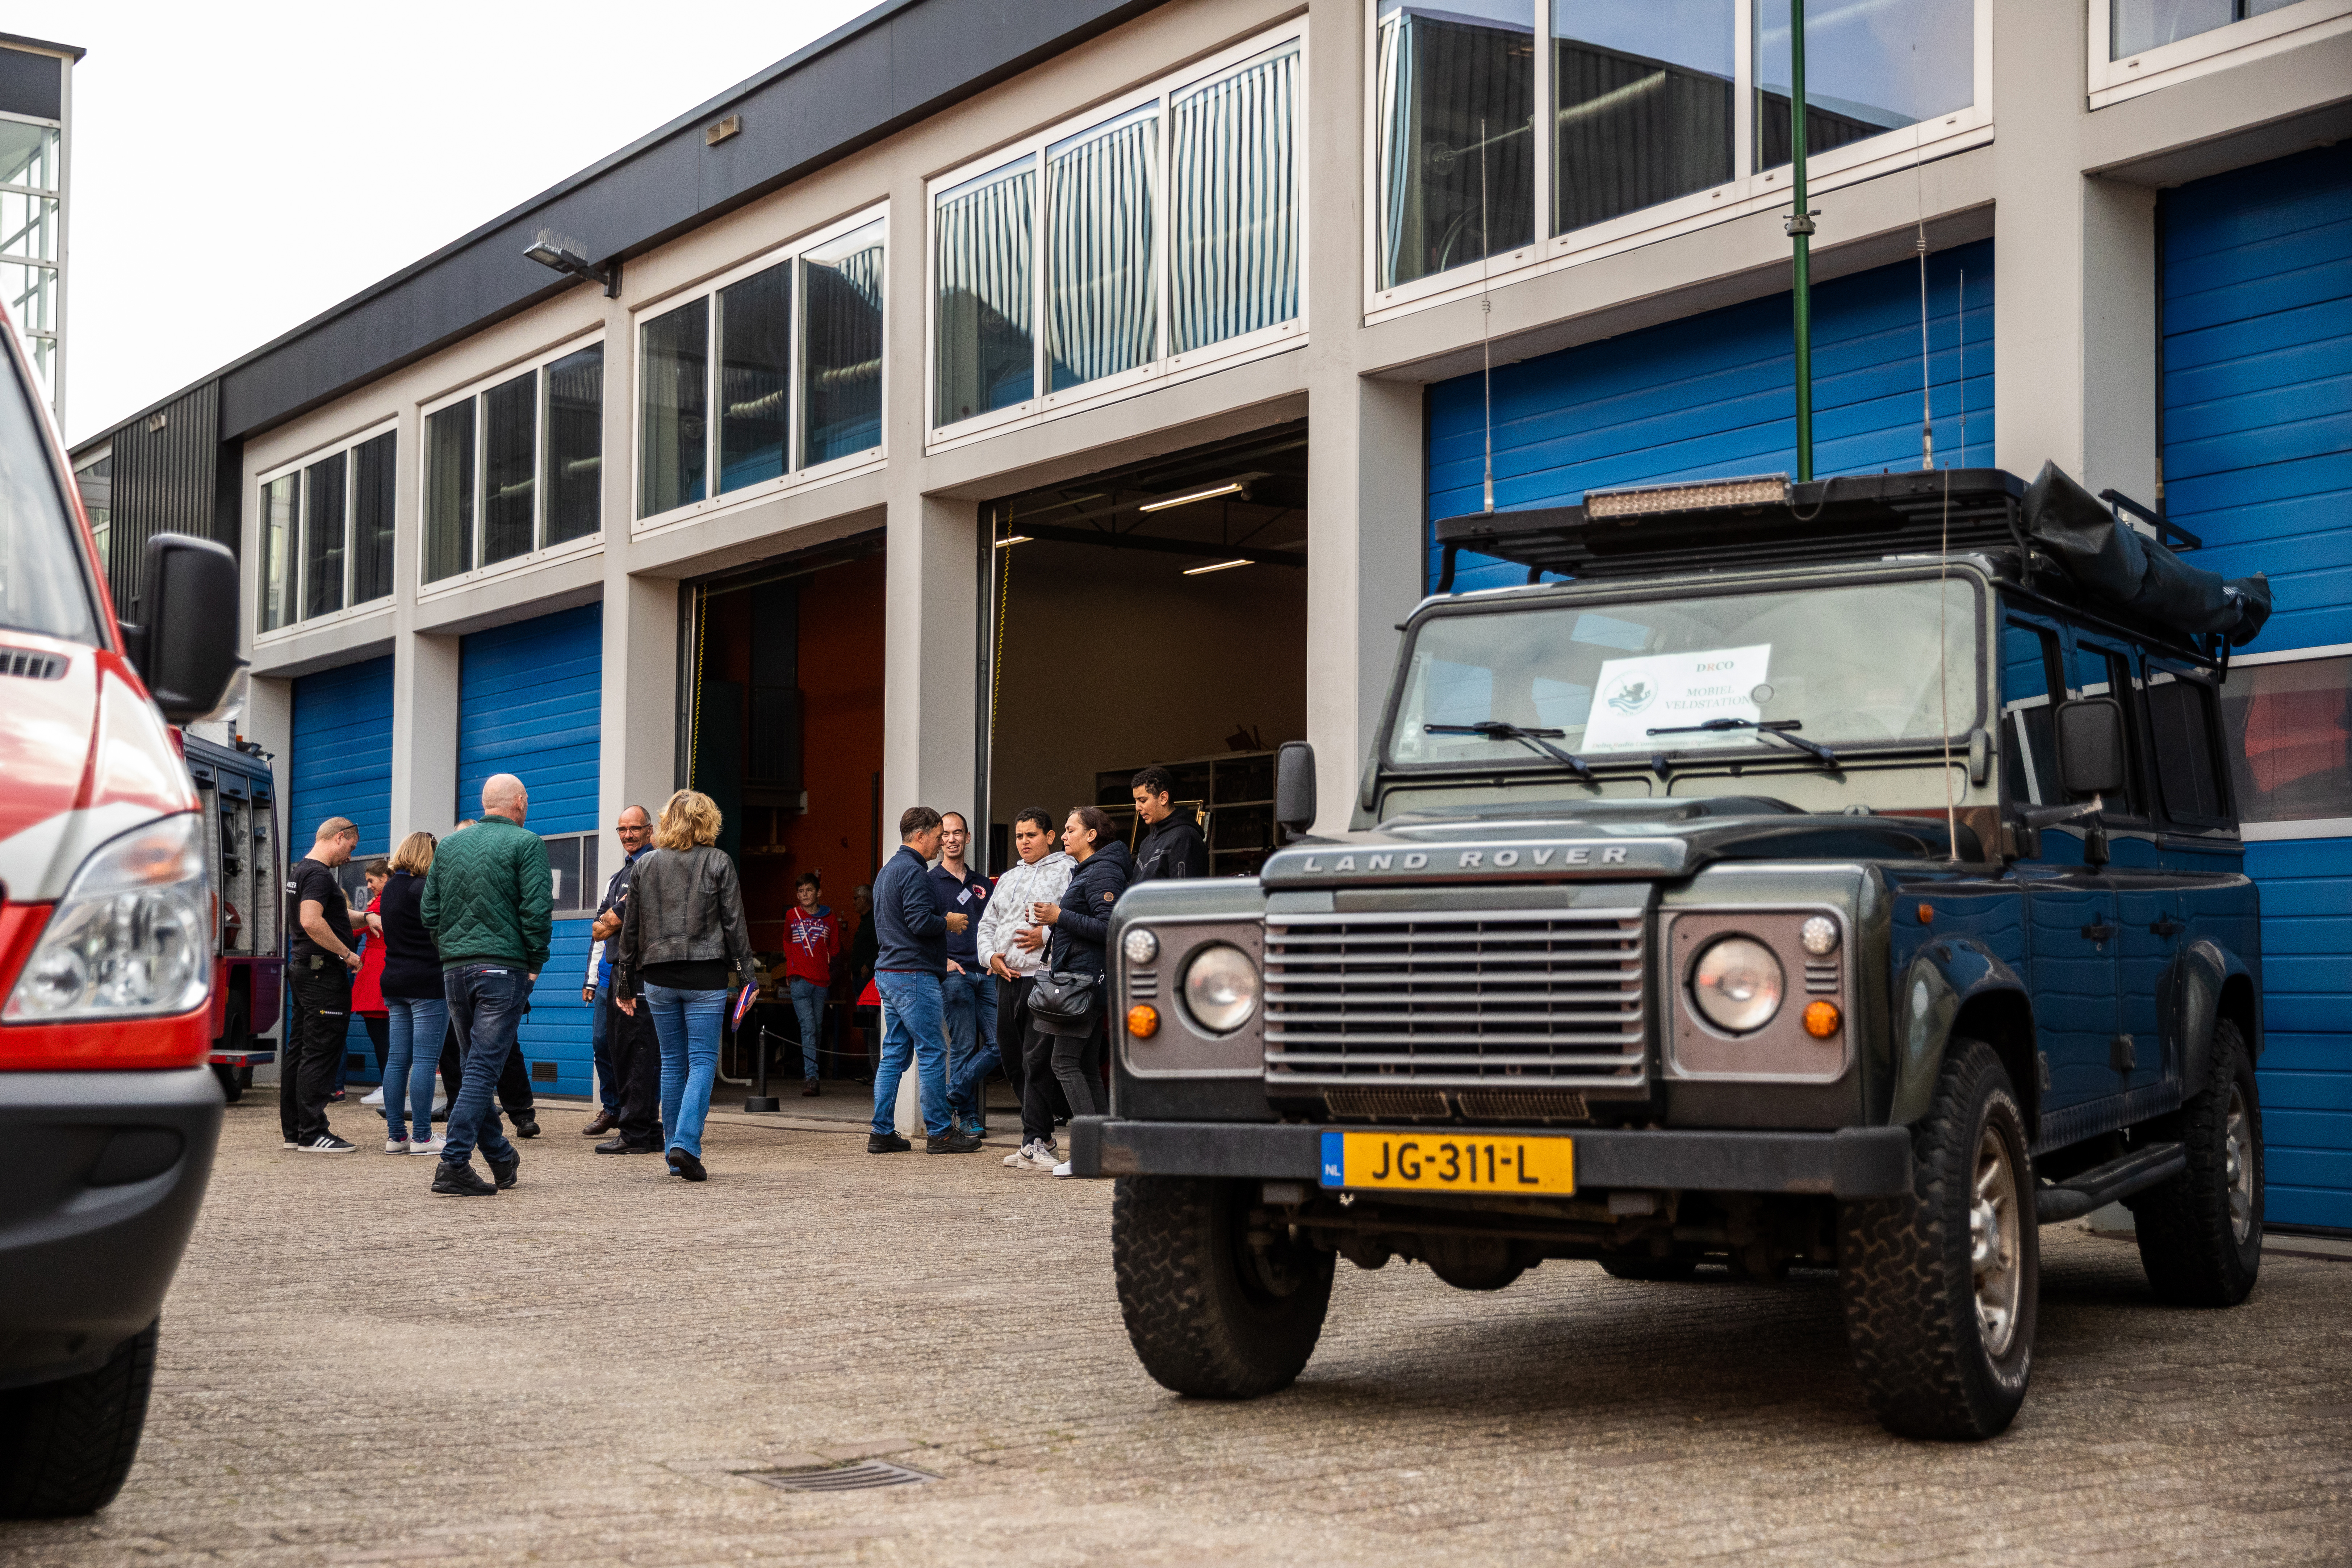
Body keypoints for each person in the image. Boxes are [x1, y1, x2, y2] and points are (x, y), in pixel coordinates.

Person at [614, 790, 757, 1184]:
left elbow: (631, 929)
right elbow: (734, 924)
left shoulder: (646, 865)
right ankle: (686, 1145)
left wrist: (624, 980)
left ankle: (674, 1149)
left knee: (674, 1063)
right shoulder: (718, 861)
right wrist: (747, 975)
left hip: (657, 978)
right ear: (707, 821)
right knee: (702, 1062)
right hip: (704, 976)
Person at [420, 775, 550, 1197]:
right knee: (481, 1069)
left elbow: (430, 911)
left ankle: (499, 1156)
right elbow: (536, 909)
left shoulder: (450, 845)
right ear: (519, 802)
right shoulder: (527, 843)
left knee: (476, 1065)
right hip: (503, 969)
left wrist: (453, 950)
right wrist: (534, 962)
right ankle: (454, 1163)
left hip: (455, 971)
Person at [1012, 806, 1132, 1173]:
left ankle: (1088, 1153)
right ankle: (1105, 1149)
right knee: (1084, 1065)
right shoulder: (1092, 870)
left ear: (1091, 835)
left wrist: (1058, 917)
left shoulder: (1103, 871)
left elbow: (1111, 925)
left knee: (1062, 1062)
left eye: (1069, 830)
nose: (1063, 837)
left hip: (1083, 982)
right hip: (1085, 980)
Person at [867, 807, 981, 1155]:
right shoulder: (916, 872)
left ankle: (882, 1130)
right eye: (936, 835)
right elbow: (919, 922)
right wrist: (948, 922)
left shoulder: (887, 871)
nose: (940, 843)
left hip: (889, 972)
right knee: (933, 1051)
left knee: (895, 1054)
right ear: (921, 836)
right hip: (913, 974)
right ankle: (941, 1131)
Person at [966, 807, 1072, 1164]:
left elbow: (1078, 921)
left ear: (1049, 836)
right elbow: (986, 924)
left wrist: (1046, 935)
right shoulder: (1008, 878)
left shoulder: (1068, 872)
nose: (1024, 842)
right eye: (1019, 836)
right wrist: (989, 957)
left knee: (1036, 1063)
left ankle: (1035, 1140)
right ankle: (1038, 1139)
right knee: (1012, 1062)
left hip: (1042, 979)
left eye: (1031, 835)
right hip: (1005, 979)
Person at [281, 816, 363, 1153]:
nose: (349, 857)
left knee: (299, 1050)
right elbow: (311, 920)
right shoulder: (318, 874)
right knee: (320, 1051)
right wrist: (347, 954)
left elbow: (330, 913)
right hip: (322, 976)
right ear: (339, 837)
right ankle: (313, 1132)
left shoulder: (300, 871)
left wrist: (366, 917)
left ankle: (295, 1130)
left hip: (304, 971)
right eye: (351, 848)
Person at [581, 804, 654, 1139]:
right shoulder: (618, 876)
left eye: (634, 829)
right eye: (622, 830)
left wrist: (614, 921)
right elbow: (598, 929)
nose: (628, 835)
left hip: (636, 976)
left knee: (636, 1051)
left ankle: (638, 1118)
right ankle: (614, 1108)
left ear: (649, 830)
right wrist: (591, 979)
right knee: (603, 1045)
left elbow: (621, 920)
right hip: (609, 976)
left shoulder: (651, 867)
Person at [376, 834, 447, 1155]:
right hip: (427, 982)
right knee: (425, 1061)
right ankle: (422, 1136)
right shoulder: (424, 889)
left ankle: (396, 1135)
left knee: (397, 1060)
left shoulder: (390, 888)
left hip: (394, 980)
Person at [930, 813, 995, 1133]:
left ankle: (952, 1093)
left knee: (1003, 1044)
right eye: (946, 834)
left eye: (958, 833)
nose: (952, 839)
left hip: (987, 972)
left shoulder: (983, 884)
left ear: (968, 838)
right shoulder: (928, 882)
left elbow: (997, 927)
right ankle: (968, 1116)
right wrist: (940, 962)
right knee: (964, 1045)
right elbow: (918, 927)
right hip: (954, 974)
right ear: (939, 840)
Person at [782, 871, 841, 1096]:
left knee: (816, 1029)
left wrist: (826, 968)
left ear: (819, 892)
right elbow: (787, 941)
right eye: (800, 891)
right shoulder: (792, 916)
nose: (804, 895)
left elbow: (835, 948)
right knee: (808, 1028)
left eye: (809, 890)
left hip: (821, 982)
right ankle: (811, 1079)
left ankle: (811, 1073)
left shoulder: (830, 918)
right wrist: (792, 966)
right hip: (799, 980)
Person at [1130, 765, 1210, 883]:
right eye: (1136, 801)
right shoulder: (1148, 841)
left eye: (1143, 801)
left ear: (1163, 798)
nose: (1137, 807)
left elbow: (1184, 895)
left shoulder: (1184, 837)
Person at [353, 858, 392, 1086]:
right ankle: (390, 1086)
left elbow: (356, 928)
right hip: (380, 967)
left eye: (371, 881)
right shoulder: (381, 901)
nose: (368, 886)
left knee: (381, 1037)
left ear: (385, 878)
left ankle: (389, 1087)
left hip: (377, 970)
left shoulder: (379, 905)